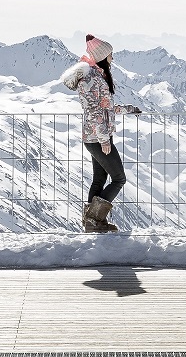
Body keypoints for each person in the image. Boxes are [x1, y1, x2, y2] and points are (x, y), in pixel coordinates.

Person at [61, 34, 141, 233]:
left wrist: (128, 109)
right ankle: (95, 220)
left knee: (99, 179)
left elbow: (105, 107)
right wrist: (104, 139)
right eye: (111, 55)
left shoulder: (95, 76)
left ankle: (92, 224)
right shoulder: (92, 79)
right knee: (119, 178)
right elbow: (95, 111)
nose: (112, 58)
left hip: (96, 135)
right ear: (103, 57)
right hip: (98, 137)